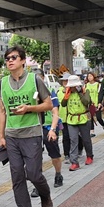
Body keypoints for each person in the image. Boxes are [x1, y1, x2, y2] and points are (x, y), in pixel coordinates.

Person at [0, 46, 53, 207]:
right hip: (12, 136)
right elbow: (2, 110)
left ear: (23, 60)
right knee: (17, 177)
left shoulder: (34, 80)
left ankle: (45, 195)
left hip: (32, 134)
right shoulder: (3, 82)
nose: (9, 61)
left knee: (33, 174)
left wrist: (29, 108)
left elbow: (48, 104)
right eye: (7, 59)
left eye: (13, 57)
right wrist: (1, 136)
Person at [30, 69, 64, 198]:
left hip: (49, 127)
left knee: (54, 154)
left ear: (43, 78)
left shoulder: (51, 92)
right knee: (34, 157)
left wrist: (53, 129)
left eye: (38, 78)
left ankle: (58, 174)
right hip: (35, 129)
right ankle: (38, 185)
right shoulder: (31, 94)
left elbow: (55, 113)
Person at [62, 75, 93, 170]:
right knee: (73, 140)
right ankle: (74, 162)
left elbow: (86, 102)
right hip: (71, 120)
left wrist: (80, 93)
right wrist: (66, 96)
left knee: (86, 139)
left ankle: (89, 155)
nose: (73, 88)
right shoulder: (67, 93)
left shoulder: (85, 91)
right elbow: (63, 104)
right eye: (71, 86)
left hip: (83, 118)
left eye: (74, 86)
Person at [85, 72, 104, 137]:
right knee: (91, 118)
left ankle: (103, 126)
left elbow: (100, 94)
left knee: (98, 118)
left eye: (91, 76)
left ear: (94, 76)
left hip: (97, 104)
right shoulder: (86, 85)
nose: (89, 77)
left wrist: (100, 103)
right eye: (88, 76)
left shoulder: (98, 85)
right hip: (90, 104)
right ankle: (92, 132)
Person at [57, 72, 71, 164]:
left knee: (75, 136)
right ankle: (67, 154)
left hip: (73, 117)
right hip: (63, 118)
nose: (65, 82)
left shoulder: (74, 91)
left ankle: (78, 150)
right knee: (65, 136)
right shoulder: (59, 91)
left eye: (67, 81)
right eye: (64, 81)